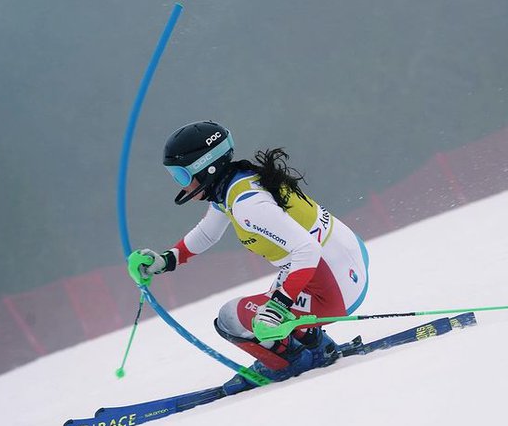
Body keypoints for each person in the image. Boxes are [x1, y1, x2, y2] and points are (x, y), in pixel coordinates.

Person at [128, 120, 369, 392]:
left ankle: (296, 360)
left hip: (333, 287)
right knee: (275, 295)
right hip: (345, 263)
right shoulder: (237, 184)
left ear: (206, 167)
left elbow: (307, 250)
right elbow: (208, 233)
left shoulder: (247, 205)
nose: (180, 185)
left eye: (181, 177)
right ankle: (311, 342)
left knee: (232, 318)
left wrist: (277, 307)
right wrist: (165, 260)